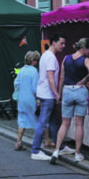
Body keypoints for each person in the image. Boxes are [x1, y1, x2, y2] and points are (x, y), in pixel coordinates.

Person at [51, 38, 89, 164]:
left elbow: (61, 78)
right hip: (80, 90)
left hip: (67, 90)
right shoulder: (86, 60)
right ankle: (77, 153)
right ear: (84, 48)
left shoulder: (66, 58)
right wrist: (84, 80)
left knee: (64, 123)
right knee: (79, 124)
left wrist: (59, 95)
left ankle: (56, 150)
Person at [30, 33, 68, 161]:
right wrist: (57, 93)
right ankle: (35, 150)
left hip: (44, 93)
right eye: (61, 43)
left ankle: (60, 146)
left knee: (52, 122)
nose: (63, 46)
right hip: (48, 94)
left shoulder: (45, 55)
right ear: (53, 42)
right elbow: (50, 77)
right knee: (43, 122)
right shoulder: (51, 58)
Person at [13, 51, 41, 151]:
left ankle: (18, 142)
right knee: (37, 122)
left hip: (21, 99)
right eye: (37, 60)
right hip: (31, 100)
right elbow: (35, 88)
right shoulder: (34, 71)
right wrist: (38, 100)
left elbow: (16, 83)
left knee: (22, 121)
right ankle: (36, 144)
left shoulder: (21, 70)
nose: (37, 62)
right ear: (33, 61)